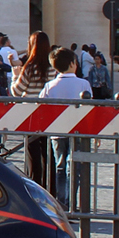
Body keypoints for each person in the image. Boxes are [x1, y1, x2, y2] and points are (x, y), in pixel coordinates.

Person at [39, 48, 92, 210]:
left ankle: (60, 203)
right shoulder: (83, 84)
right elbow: (90, 108)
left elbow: (41, 106)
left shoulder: (50, 85)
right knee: (74, 168)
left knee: (60, 166)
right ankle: (72, 204)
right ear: (72, 63)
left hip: (57, 132)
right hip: (78, 131)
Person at [11, 31, 57, 189]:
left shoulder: (29, 67)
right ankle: (50, 188)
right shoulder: (52, 67)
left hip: (29, 113)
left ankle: (34, 187)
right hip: (47, 113)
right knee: (47, 152)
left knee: (32, 153)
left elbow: (16, 92)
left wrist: (15, 76)